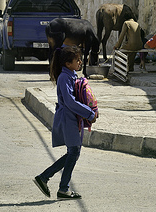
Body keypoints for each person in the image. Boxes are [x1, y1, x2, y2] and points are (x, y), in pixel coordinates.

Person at [33, 46, 97, 199]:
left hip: (73, 118)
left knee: (73, 152)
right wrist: (88, 113)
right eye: (77, 60)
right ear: (68, 63)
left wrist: (92, 107)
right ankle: (54, 183)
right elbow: (69, 101)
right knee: (74, 152)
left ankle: (53, 183)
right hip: (67, 118)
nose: (80, 62)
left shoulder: (72, 74)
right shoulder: (64, 77)